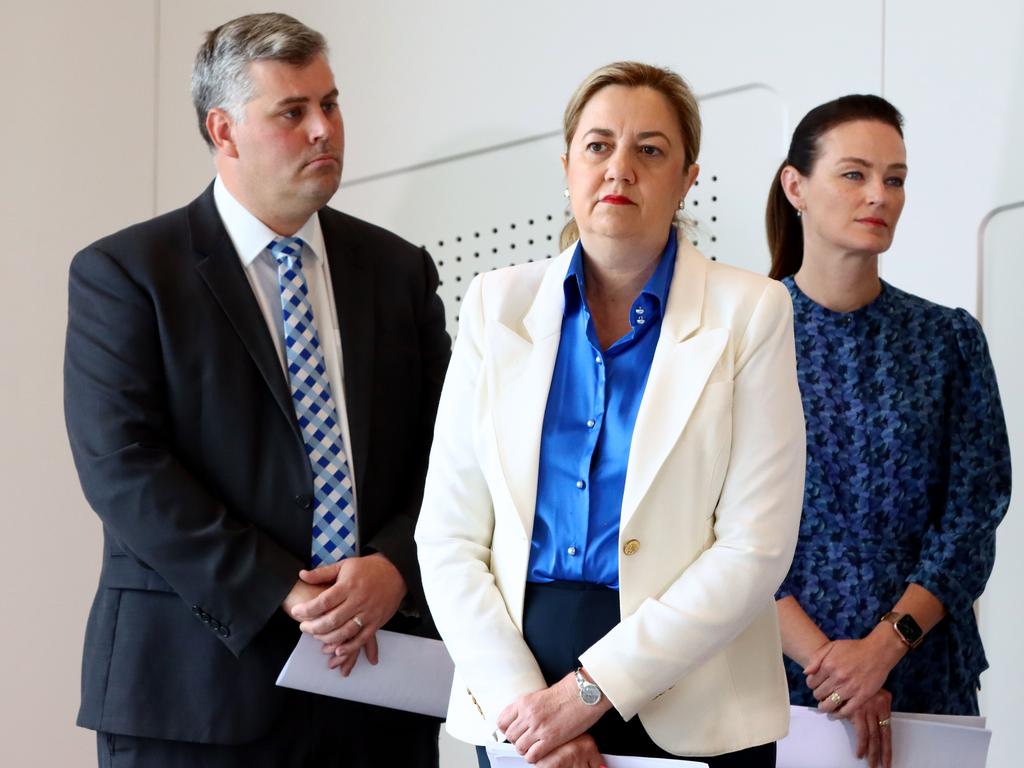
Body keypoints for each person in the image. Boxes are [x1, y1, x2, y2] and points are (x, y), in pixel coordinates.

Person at [64, 12, 450, 768]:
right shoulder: (128, 275)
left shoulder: (398, 271)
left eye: (330, 105)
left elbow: (452, 449)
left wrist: (395, 563)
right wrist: (284, 587)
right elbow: (123, 467)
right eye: (293, 112)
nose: (323, 131)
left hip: (379, 696)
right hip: (194, 696)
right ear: (225, 130)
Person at [415, 61, 806, 768]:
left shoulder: (751, 313)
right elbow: (447, 537)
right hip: (519, 694)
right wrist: (527, 711)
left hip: (693, 694)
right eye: (598, 146)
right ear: (567, 166)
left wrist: (588, 695)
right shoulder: (494, 305)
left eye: (650, 150)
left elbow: (757, 546)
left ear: (688, 177)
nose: (619, 168)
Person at [767, 94, 1012, 768]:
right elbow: (711, 529)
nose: (879, 194)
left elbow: (973, 516)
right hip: (777, 685)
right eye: (854, 174)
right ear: (797, 186)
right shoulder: (738, 340)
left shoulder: (948, 339)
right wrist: (831, 666)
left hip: (926, 677)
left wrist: (882, 648)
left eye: (895, 178)